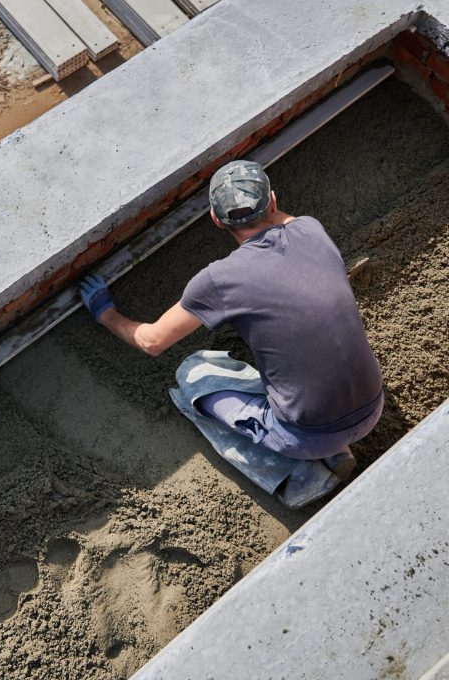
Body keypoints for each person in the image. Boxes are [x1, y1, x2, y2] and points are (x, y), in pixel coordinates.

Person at [79, 160, 384, 508]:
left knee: (192, 375)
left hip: (307, 434)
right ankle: (334, 448)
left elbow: (151, 341)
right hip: (372, 405)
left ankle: (300, 477)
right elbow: (283, 220)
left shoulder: (219, 280)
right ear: (273, 201)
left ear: (214, 219)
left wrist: (106, 314)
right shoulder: (311, 229)